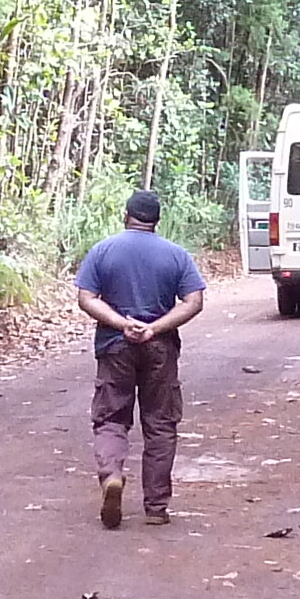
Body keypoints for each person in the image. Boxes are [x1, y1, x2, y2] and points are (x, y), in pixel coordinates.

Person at [73, 190, 206, 527]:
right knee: (160, 424)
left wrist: (121, 323)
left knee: (111, 418)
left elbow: (86, 298)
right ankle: (156, 507)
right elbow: (193, 301)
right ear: (157, 221)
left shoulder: (103, 250)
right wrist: (154, 328)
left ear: (125, 215)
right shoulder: (176, 255)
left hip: (114, 345)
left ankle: (112, 476)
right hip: (160, 347)